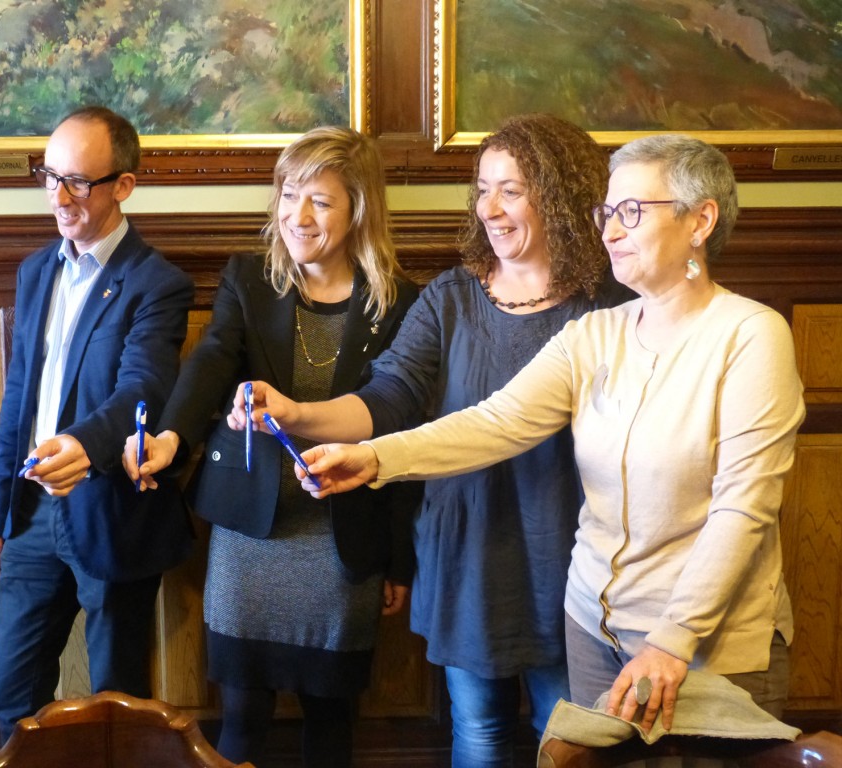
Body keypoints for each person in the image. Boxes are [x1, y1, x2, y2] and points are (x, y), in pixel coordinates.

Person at [297, 134, 806, 738]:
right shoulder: (598, 333)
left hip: (703, 641)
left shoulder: (751, 334)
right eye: (607, 213)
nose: (611, 231)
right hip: (594, 630)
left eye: (632, 212)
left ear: (701, 220)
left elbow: (743, 508)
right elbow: (495, 422)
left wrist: (673, 641)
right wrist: (374, 457)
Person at [234, 113, 633, 767]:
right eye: (483, 189)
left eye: (512, 189)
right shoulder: (452, 297)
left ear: (558, 194)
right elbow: (386, 401)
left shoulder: (612, 306)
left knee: (574, 745)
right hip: (468, 551)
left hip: (571, 558)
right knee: (479, 736)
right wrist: (297, 414)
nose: (491, 209)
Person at [122, 126, 420, 768]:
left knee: (331, 719)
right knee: (242, 717)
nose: (297, 216)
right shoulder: (249, 279)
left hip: (342, 536)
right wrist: (173, 434)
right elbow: (212, 358)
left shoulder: (399, 303)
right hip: (251, 536)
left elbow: (403, 433)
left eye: (319, 200)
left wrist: (399, 560)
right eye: (288, 194)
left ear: (358, 208)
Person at [0, 105, 195, 741]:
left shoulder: (158, 284)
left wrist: (81, 444)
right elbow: (19, 400)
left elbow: (142, 390)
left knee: (117, 710)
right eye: (49, 176)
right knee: (12, 699)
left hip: (112, 515)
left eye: (78, 181)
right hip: (32, 516)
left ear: (123, 185)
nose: (59, 196)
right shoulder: (36, 270)